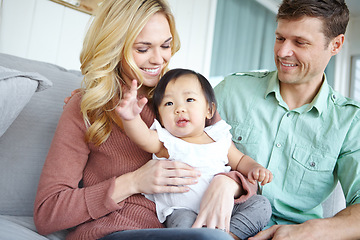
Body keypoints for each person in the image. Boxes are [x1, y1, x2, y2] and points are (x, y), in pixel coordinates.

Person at [34, 1, 258, 240]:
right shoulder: (88, 107)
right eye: (143, 49)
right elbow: (48, 212)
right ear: (114, 46)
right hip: (117, 231)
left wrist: (227, 184)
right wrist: (133, 182)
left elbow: (246, 172)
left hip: (188, 229)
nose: (158, 59)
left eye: (165, 45)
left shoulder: (186, 98)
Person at [213, 0, 360, 239]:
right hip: (223, 227)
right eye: (280, 38)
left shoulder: (350, 121)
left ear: (336, 44)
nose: (282, 52)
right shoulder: (232, 90)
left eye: (300, 42)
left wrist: (310, 231)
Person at [116, 68, 273, 239]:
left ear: (209, 110)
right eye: (169, 104)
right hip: (184, 211)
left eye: (189, 99)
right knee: (183, 226)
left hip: (225, 206)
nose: (179, 109)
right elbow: (144, 138)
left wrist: (255, 168)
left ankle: (231, 236)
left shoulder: (219, 136)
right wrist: (130, 119)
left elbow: (240, 160)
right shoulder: (167, 142)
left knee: (261, 205)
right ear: (160, 117)